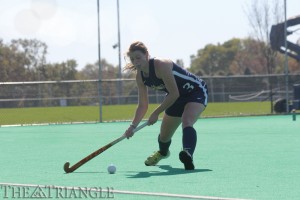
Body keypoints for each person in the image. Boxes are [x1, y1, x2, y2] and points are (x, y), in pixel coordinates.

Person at [124, 41, 208, 170]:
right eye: (133, 59)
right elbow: (142, 105)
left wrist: (156, 113)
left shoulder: (161, 65)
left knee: (187, 120)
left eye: (138, 58)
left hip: (195, 91)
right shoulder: (140, 77)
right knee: (164, 136)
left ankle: (187, 154)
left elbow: (174, 93)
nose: (136, 62)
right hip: (175, 98)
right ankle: (163, 152)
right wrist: (132, 126)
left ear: (146, 55)